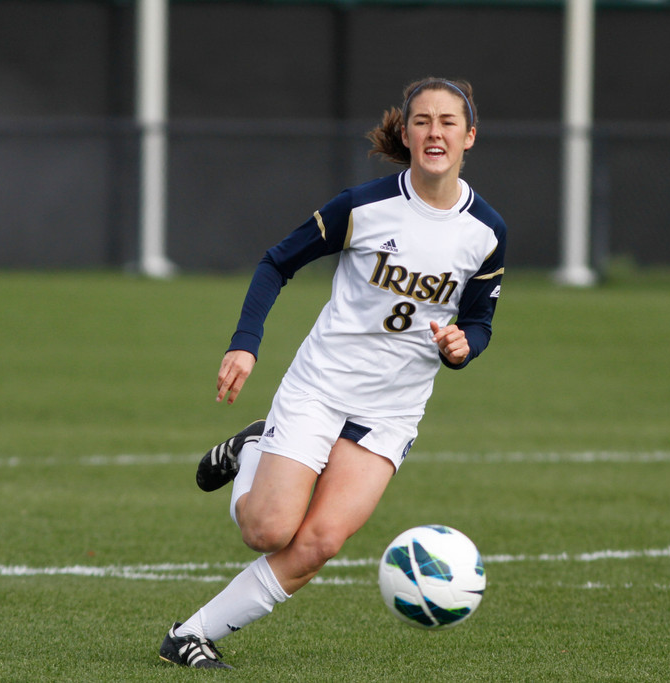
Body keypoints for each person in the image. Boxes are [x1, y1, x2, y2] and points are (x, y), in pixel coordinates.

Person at [159, 77, 507, 668]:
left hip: (392, 409)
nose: (434, 133)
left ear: (469, 136)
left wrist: (460, 347)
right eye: (422, 120)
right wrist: (245, 344)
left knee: (318, 543)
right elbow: (276, 262)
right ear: (406, 130)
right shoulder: (364, 206)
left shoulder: (487, 232)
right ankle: (251, 452)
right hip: (321, 387)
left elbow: (479, 324)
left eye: (448, 122)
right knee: (268, 531)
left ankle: (190, 634)